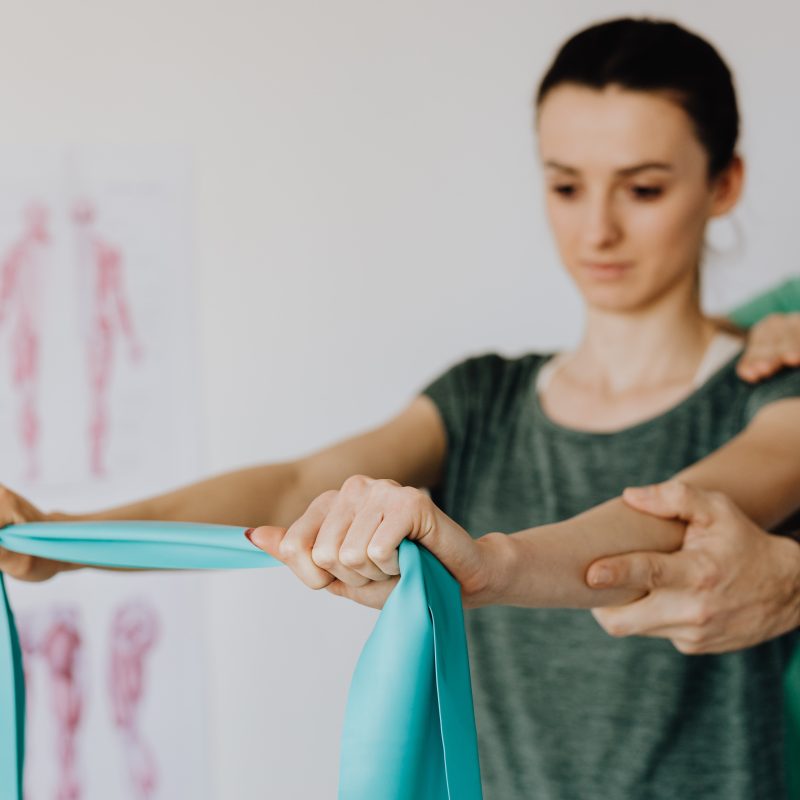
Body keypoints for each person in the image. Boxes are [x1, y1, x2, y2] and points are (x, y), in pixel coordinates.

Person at [0, 15, 799, 800]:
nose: (598, 227)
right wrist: (63, 539)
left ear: (724, 183)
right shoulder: (485, 396)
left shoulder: (776, 385)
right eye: (565, 185)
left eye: (644, 188)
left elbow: (676, 521)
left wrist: (489, 566)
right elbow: (298, 486)